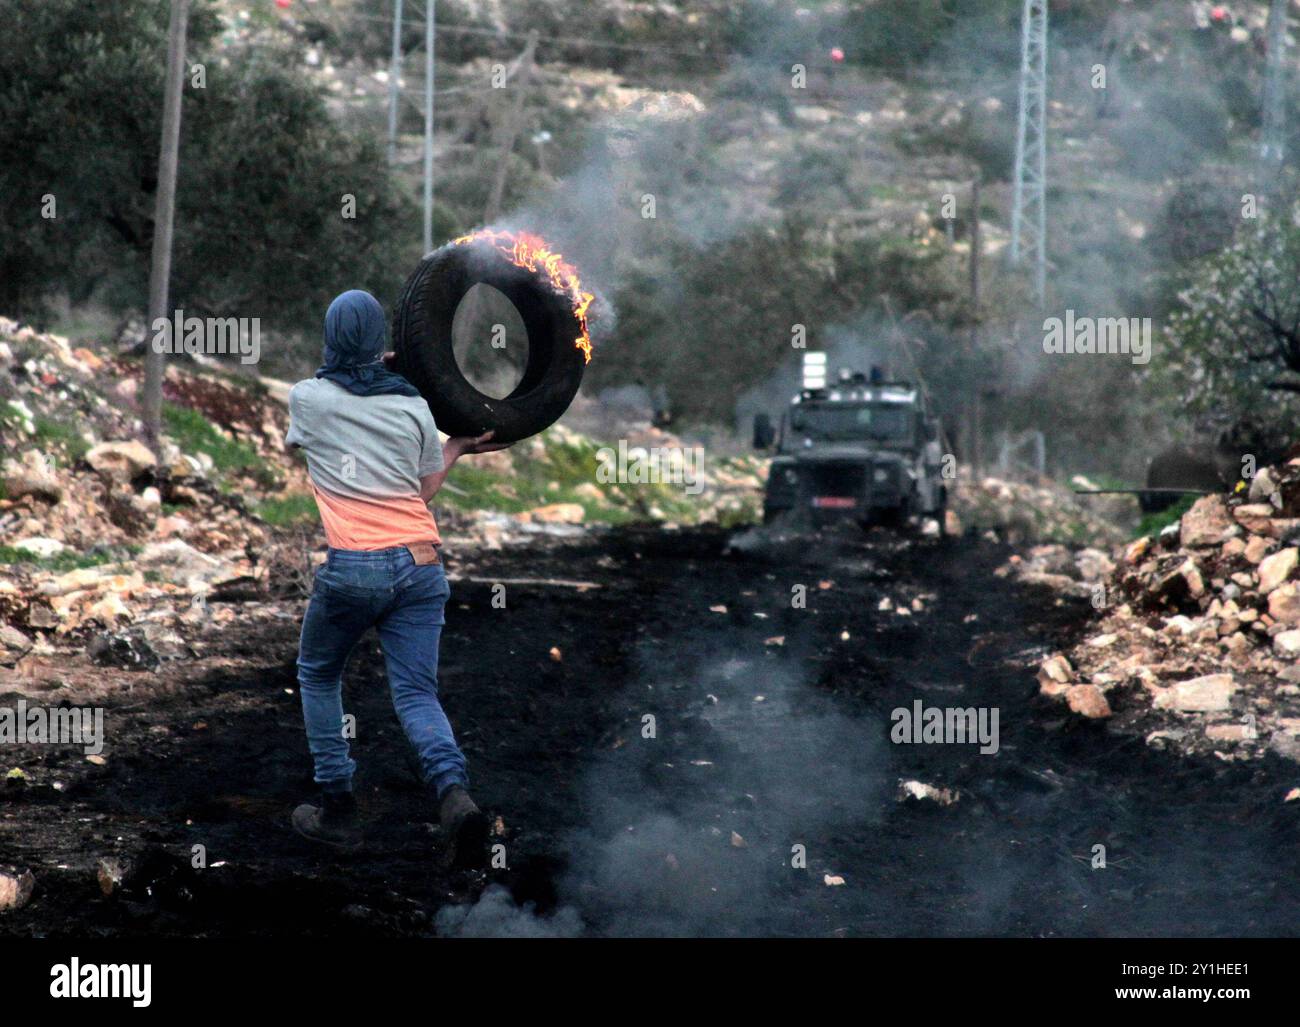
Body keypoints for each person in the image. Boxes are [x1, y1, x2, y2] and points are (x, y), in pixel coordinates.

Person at [284, 289, 508, 867]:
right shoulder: (413, 406)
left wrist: (359, 371)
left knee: (317, 673)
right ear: (379, 339)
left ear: (332, 338)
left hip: (355, 568)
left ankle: (337, 809)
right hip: (421, 564)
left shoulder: (308, 399)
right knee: (415, 692)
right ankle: (454, 798)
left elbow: (308, 430)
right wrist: (455, 444)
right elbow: (424, 488)